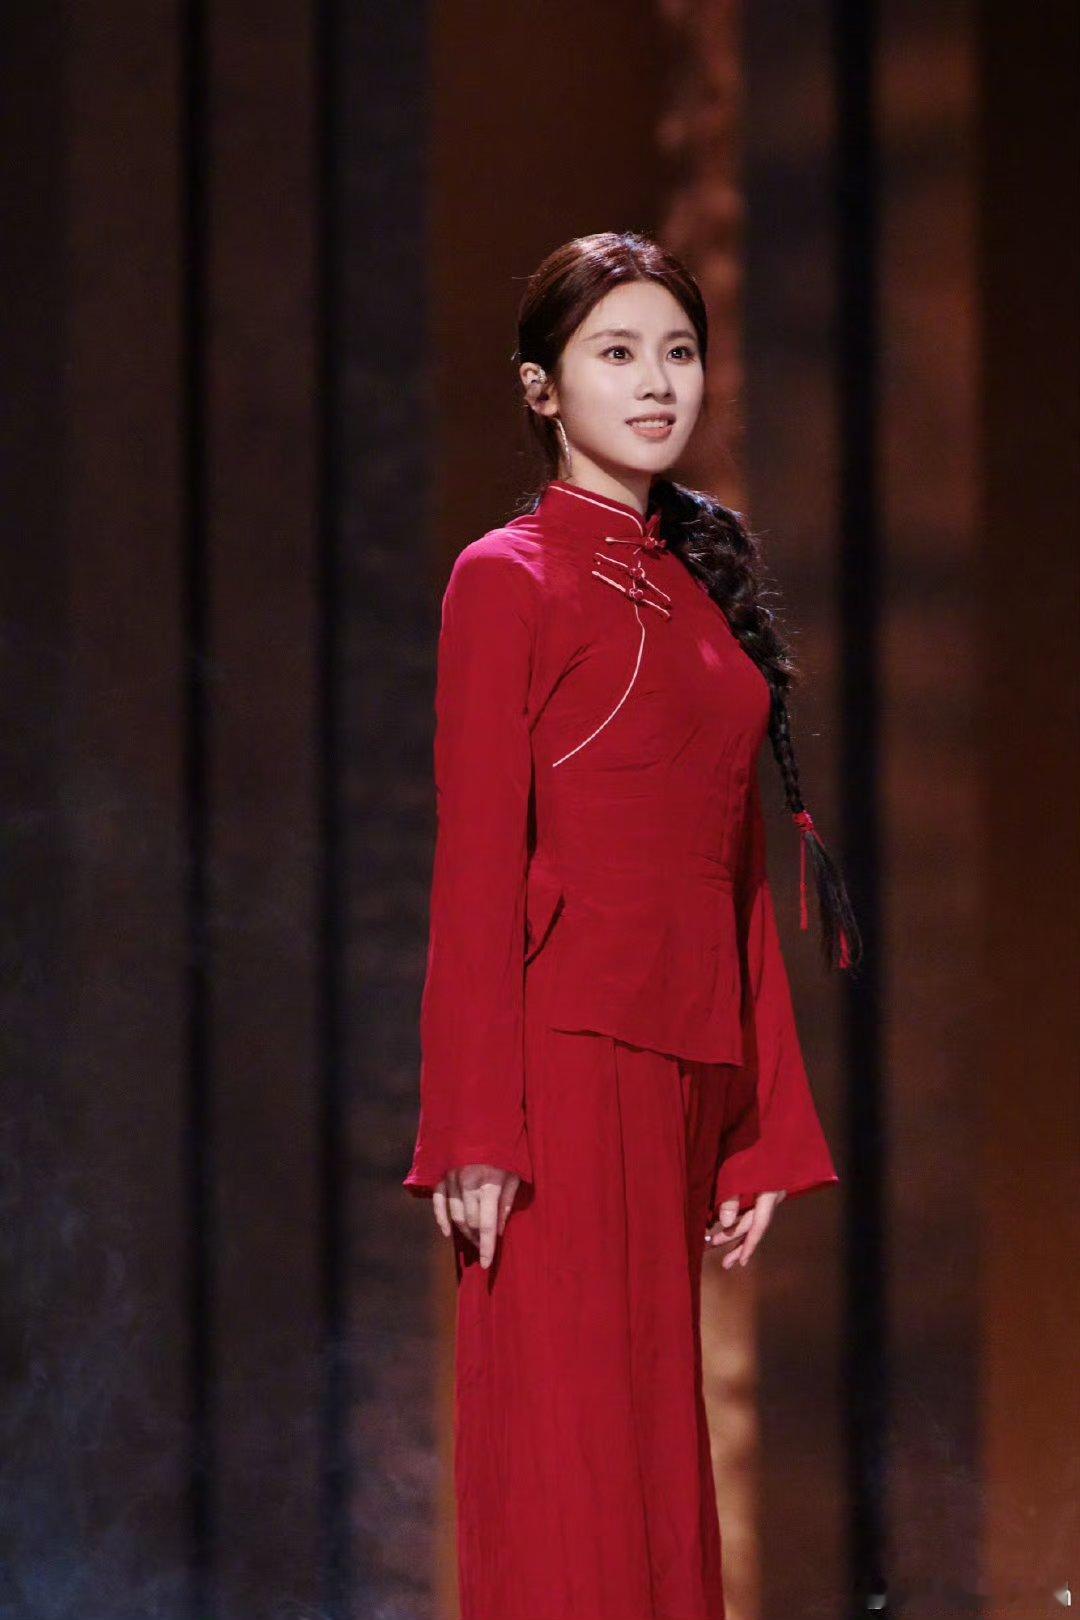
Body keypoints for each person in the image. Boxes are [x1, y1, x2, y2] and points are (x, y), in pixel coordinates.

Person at [402, 230, 862, 1620]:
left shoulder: (694, 580)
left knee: (660, 1466)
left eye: (679, 351)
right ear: (542, 387)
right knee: (571, 1462)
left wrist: (764, 1119)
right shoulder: (509, 576)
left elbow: (732, 870)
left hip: (679, 1068)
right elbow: (476, 865)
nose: (658, 383)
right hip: (560, 1070)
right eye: (617, 353)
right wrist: (473, 1125)